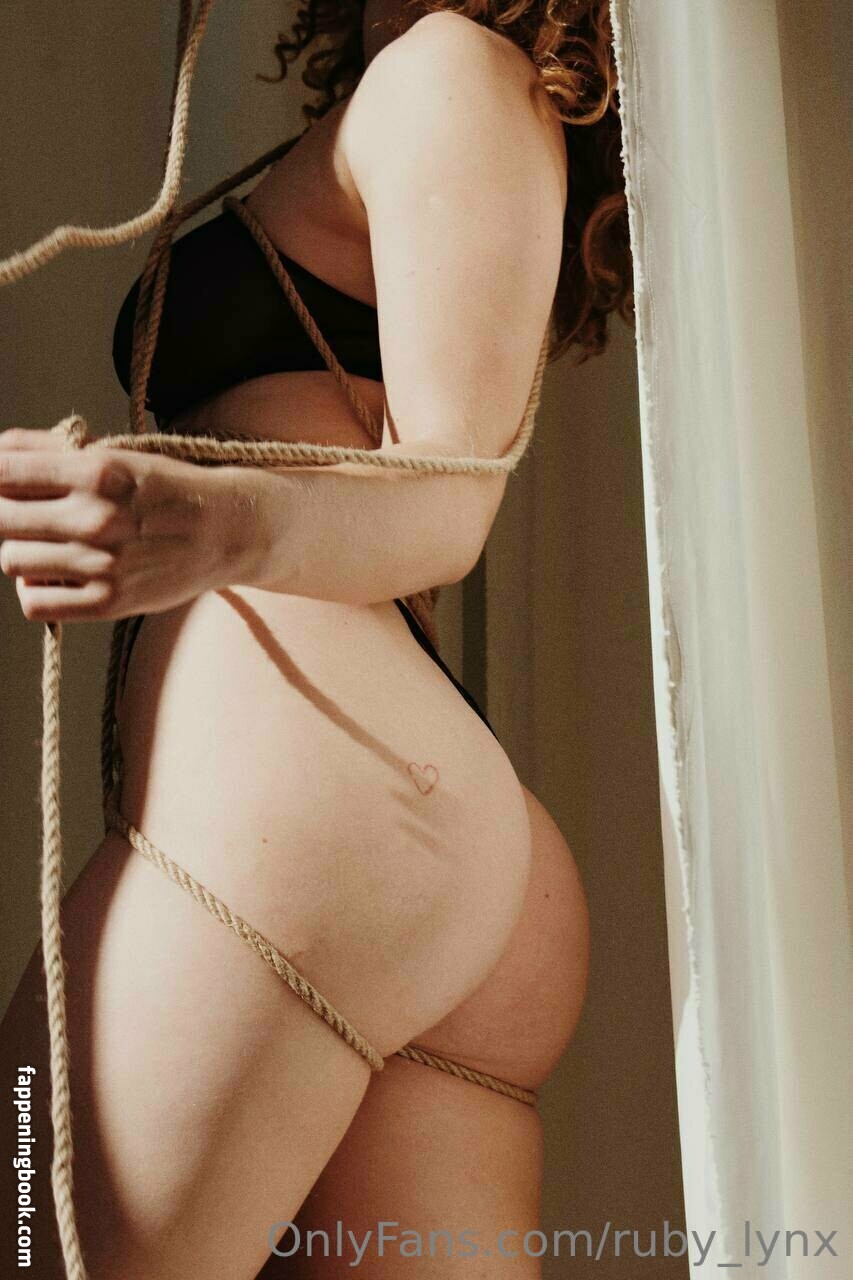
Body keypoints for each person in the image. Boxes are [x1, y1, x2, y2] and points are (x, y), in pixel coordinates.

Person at [0, 0, 632, 1275]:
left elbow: (448, 498)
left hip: (306, 810)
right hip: (384, 826)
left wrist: (213, 523)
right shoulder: (438, 85)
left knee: (22, 1219)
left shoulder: (451, 70)